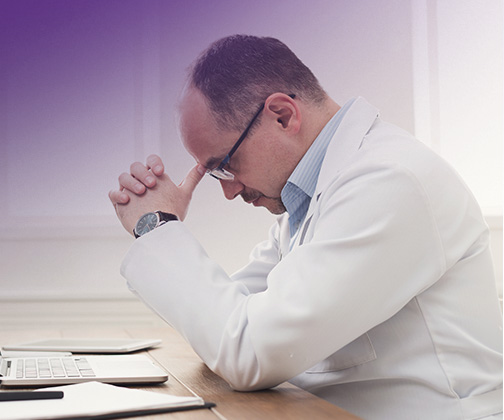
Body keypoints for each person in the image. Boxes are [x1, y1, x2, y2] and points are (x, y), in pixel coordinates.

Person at [108, 34, 502, 419]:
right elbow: (224, 330)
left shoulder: (388, 182)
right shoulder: (309, 198)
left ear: (283, 115)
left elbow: (247, 352)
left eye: (225, 164)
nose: (229, 191)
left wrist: (157, 227)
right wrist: (161, 230)